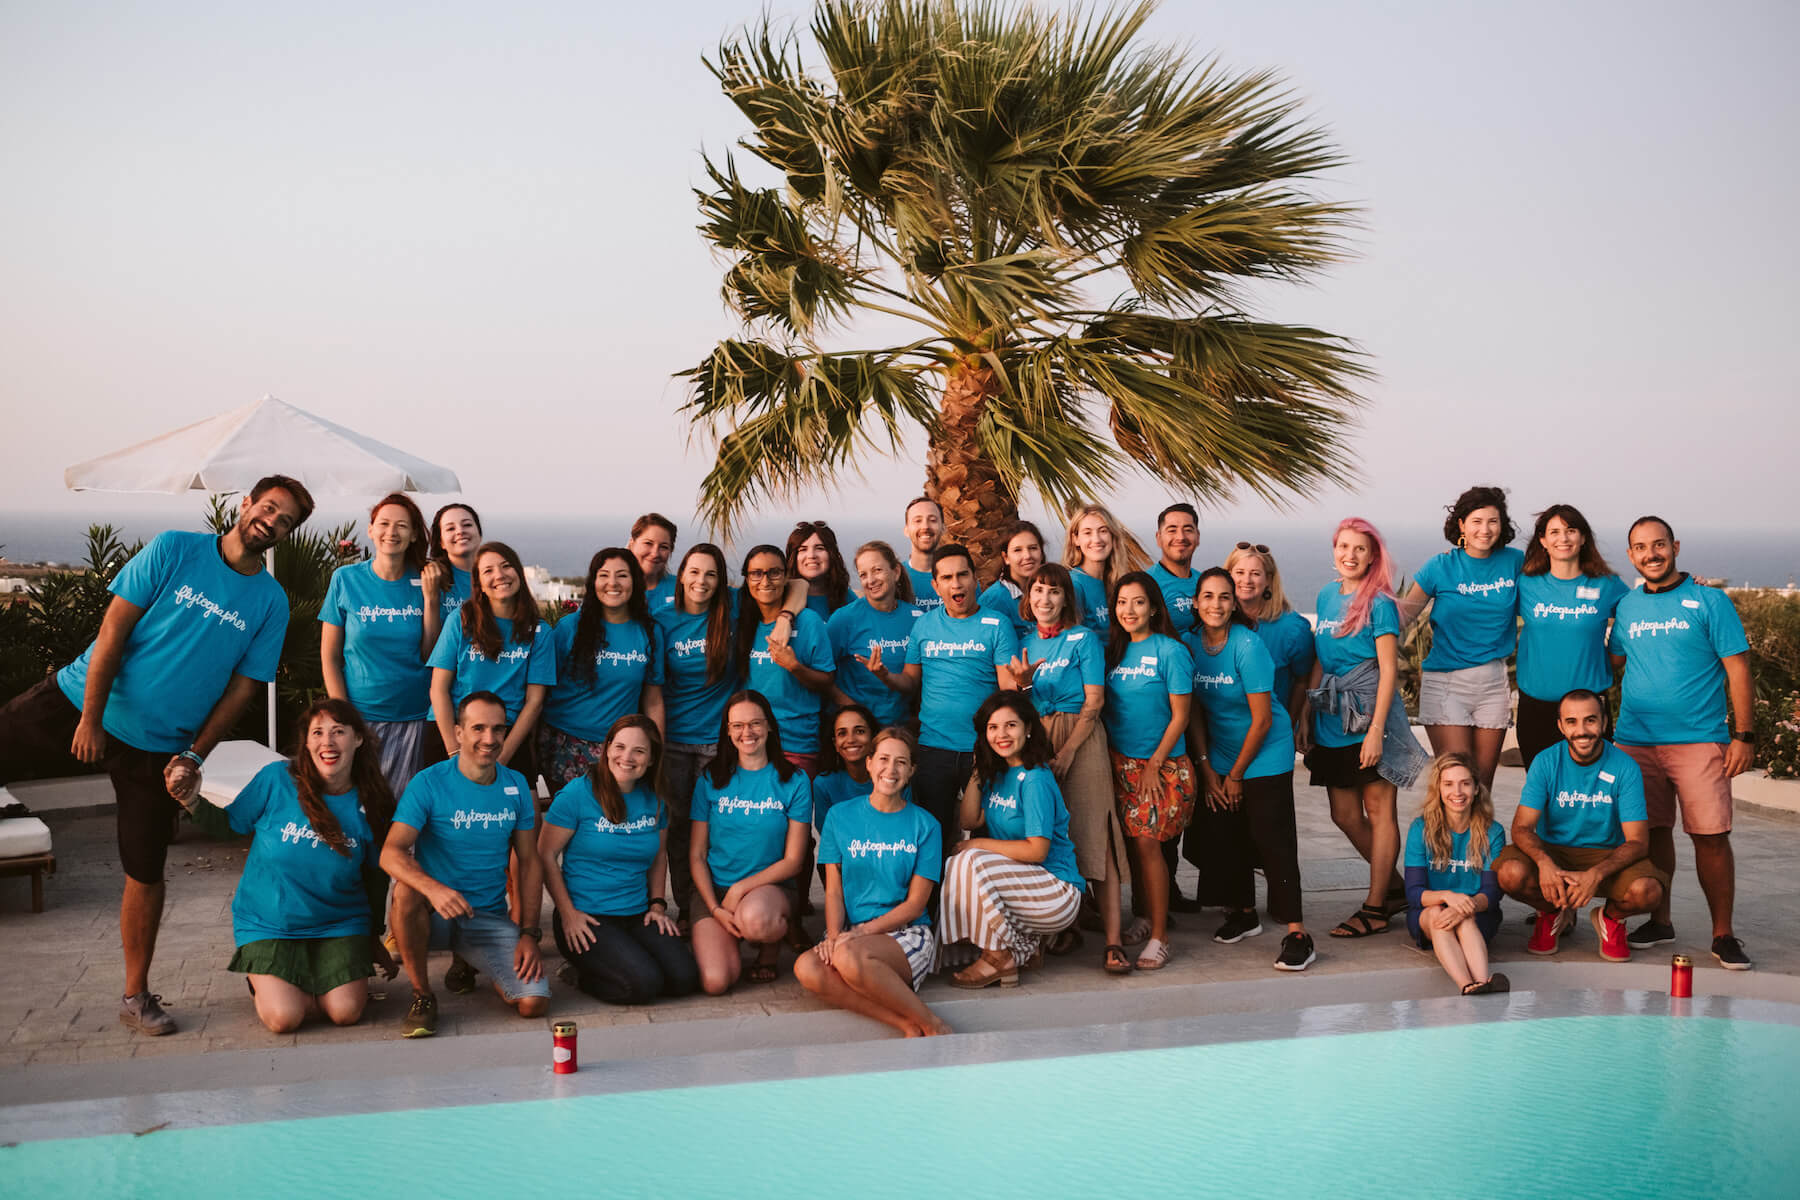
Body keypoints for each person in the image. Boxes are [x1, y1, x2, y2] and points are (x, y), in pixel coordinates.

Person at [0, 474, 312, 1036]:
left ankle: (135, 995)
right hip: (77, 701)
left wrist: (193, 755)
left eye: (285, 519)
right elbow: (113, 630)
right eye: (269, 508)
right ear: (246, 504)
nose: (272, 521)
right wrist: (91, 719)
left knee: (145, 871)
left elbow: (243, 688)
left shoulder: (269, 601)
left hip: (159, 748)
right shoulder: (175, 548)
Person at [176, 697, 395, 1032]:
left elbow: (375, 877)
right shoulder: (277, 779)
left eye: (338, 731)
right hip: (270, 922)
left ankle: (307, 983)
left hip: (338, 922)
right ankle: (270, 982)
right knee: (284, 1019)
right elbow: (229, 825)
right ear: (306, 743)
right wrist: (188, 796)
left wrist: (372, 938)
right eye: (317, 732)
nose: (328, 742)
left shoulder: (373, 801)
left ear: (358, 739)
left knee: (345, 1012)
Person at [1606, 517, 1755, 968]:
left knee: (1710, 838)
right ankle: (1661, 920)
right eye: (1640, 547)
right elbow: (1612, 665)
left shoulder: (1710, 601)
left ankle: (1723, 933)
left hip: (1699, 741)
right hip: (1635, 740)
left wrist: (1744, 735)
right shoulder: (1628, 607)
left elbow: (1738, 669)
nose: (1650, 554)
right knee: (1652, 835)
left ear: (1674, 546)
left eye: (1658, 545)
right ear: (1631, 556)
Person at [381, 691, 551, 1038]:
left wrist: (529, 933)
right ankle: (422, 995)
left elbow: (530, 861)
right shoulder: (428, 782)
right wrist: (435, 889)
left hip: (486, 916)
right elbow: (391, 852)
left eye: (497, 729)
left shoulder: (516, 784)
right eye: (478, 729)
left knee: (533, 1003)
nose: (489, 739)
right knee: (406, 893)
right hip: (434, 913)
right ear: (458, 733)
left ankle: (468, 960)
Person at [1295, 518, 1427, 939]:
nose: (1350, 555)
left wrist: (1374, 733)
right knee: (1344, 814)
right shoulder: (1325, 595)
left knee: (1379, 811)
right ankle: (1396, 888)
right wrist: (1306, 712)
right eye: (1343, 547)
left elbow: (1390, 671)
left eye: (1360, 549)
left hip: (1371, 712)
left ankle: (1375, 905)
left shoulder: (1381, 602)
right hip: (1333, 713)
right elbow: (1319, 658)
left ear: (1373, 557)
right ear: (1335, 550)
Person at [1185, 568, 1315, 971]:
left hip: (1265, 752)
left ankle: (1297, 932)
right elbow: (1194, 714)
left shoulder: (1247, 645)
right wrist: (1208, 769)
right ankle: (1243, 911)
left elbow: (1262, 720)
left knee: (1273, 841)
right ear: (1195, 602)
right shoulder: (1189, 644)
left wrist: (1237, 775)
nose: (1216, 605)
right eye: (1208, 596)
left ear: (1233, 603)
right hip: (1222, 752)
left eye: (1224, 597)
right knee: (1226, 835)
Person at [1004, 563, 1129, 974]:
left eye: (1054, 592)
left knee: (1097, 832)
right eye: (1038, 590)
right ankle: (1059, 927)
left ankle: (1113, 940)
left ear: (1066, 599)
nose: (1045, 599)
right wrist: (1023, 686)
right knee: (1045, 834)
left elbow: (1094, 700)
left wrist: (1071, 750)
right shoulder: (1021, 643)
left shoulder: (1083, 639)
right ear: (1028, 597)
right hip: (1036, 739)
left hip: (1082, 736)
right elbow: (1015, 706)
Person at [1493, 689, 1669, 963]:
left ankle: (1610, 919)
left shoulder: (1625, 767)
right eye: (1572, 722)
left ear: (1604, 722)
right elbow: (1522, 828)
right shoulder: (1546, 762)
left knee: (1648, 891)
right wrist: (1544, 863)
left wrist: (1596, 874)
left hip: (1605, 853)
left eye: (1590, 720)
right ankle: (1552, 912)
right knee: (1509, 873)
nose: (1582, 730)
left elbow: (1637, 841)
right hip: (1555, 851)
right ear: (1561, 726)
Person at [798, 726, 950, 1036]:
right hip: (853, 935)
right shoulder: (840, 817)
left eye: (901, 762)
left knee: (848, 957)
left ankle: (934, 1025)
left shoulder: (926, 825)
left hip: (906, 934)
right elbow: (834, 891)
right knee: (806, 967)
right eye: (883, 759)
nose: (890, 770)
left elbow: (915, 904)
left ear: (911, 770)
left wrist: (860, 933)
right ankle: (904, 1023)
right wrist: (834, 935)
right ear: (869, 763)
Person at [537, 715, 699, 1005]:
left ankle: (623, 957)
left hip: (636, 914)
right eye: (620, 746)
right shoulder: (578, 793)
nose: (627, 757)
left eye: (639, 750)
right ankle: (581, 974)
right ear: (606, 748)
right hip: (586, 916)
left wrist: (658, 905)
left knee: (684, 978)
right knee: (642, 986)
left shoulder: (655, 799)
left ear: (651, 759)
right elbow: (545, 855)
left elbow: (659, 856)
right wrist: (568, 915)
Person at [940, 692, 1085, 987]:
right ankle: (1022, 950)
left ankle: (998, 957)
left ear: (1028, 728)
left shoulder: (1035, 779)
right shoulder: (1000, 772)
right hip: (1024, 885)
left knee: (968, 859)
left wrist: (977, 844)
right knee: (960, 861)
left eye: (1011, 726)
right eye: (992, 728)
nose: (1001, 734)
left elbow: (1037, 850)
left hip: (1056, 890)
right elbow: (970, 820)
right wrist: (980, 767)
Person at [895, 544, 1019, 864]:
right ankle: (933, 908)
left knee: (986, 834)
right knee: (933, 833)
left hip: (985, 749)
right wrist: (883, 674)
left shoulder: (997, 624)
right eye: (947, 577)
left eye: (963, 575)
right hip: (933, 747)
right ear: (935, 585)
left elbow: (1008, 690)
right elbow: (910, 682)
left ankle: (980, 907)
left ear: (976, 579)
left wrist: (1024, 682)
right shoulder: (923, 626)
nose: (956, 584)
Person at [1397, 486, 1525, 790]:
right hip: (1447, 683)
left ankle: (1480, 840)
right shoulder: (1440, 566)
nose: (1485, 529)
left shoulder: (1515, 562)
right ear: (1462, 525)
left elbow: (1555, 579)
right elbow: (1401, 616)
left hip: (1494, 683)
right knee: (1458, 781)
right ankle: (1442, 839)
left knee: (1482, 786)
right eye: (1477, 521)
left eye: (1493, 521)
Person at [689, 691, 812, 992]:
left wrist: (741, 888)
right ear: (728, 731)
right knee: (716, 982)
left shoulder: (794, 780)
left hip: (770, 889)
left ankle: (769, 946)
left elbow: (794, 861)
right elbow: (697, 854)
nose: (748, 732)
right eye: (738, 725)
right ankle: (728, 936)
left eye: (756, 723)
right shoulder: (711, 778)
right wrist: (715, 908)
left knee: (757, 920)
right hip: (716, 890)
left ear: (769, 726)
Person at [1102, 570, 1195, 971]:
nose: (1129, 610)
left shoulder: (1170, 651)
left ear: (1154, 607)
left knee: (1146, 845)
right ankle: (1143, 917)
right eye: (1122, 602)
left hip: (1164, 765)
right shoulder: (1114, 651)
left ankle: (1160, 936)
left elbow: (1181, 716)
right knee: (1134, 846)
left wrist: (1155, 764)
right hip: (1121, 763)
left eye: (1138, 602)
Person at [320, 493, 435, 797]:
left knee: (407, 816)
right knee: (361, 809)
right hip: (361, 718)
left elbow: (429, 654)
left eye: (401, 526)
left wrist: (432, 599)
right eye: (383, 524)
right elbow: (329, 656)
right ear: (370, 530)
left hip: (417, 719)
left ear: (413, 535)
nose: (391, 532)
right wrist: (343, 717)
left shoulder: (425, 581)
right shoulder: (345, 579)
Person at [654, 543, 739, 928]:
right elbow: (653, 687)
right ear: (681, 575)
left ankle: (721, 902)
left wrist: (786, 616)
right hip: (673, 743)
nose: (701, 581)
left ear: (721, 580)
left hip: (720, 742)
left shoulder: (733, 609)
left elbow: (795, 586)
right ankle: (689, 907)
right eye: (694, 572)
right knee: (678, 828)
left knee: (722, 828)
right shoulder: (662, 620)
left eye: (711, 574)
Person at [426, 541, 557, 779]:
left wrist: (500, 760)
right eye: (488, 571)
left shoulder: (539, 632)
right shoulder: (461, 620)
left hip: (506, 737)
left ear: (519, 573)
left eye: (506, 566)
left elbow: (534, 702)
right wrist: (454, 754)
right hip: (452, 732)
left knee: (526, 814)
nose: (499, 575)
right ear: (480, 585)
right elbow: (438, 689)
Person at [538, 548, 666, 790]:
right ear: (593, 581)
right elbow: (541, 689)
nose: (612, 583)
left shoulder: (650, 632)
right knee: (573, 822)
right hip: (565, 744)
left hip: (621, 748)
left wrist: (656, 751)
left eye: (622, 576)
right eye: (604, 575)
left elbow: (653, 700)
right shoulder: (569, 628)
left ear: (635, 582)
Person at [1515, 504, 1628, 770]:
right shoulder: (1526, 583)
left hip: (1588, 711)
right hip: (1536, 708)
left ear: (1583, 537)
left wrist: (1689, 584)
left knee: (1591, 794)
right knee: (1542, 794)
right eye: (1554, 532)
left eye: (1571, 530)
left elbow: (1644, 608)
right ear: (1542, 540)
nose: (1563, 539)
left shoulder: (1606, 584)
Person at [1404, 752, 1509, 995]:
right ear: (1438, 789)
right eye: (1448, 784)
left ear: (1476, 788)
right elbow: (1413, 893)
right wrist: (1448, 897)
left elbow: (1492, 892)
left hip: (1478, 914)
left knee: (1465, 918)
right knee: (1435, 915)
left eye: (1465, 783)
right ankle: (1470, 984)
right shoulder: (1420, 829)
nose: (1457, 792)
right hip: (1429, 913)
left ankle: (1479, 984)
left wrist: (1467, 905)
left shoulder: (1493, 832)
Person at [734, 545, 835, 773]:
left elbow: (827, 680)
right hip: (751, 743)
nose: (765, 580)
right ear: (747, 578)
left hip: (796, 743)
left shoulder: (809, 621)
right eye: (756, 573)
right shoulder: (741, 620)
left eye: (774, 572)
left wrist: (794, 667)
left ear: (786, 576)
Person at [827, 541, 922, 729]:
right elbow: (824, 677)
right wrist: (856, 713)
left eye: (877, 570)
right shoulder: (844, 619)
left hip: (900, 730)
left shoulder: (917, 619)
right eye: (863, 575)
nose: (870, 580)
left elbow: (915, 682)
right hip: (857, 730)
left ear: (895, 572)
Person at [418, 502, 484, 769]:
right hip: (446, 708)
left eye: (467, 524)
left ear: (479, 532)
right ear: (441, 541)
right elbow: (429, 652)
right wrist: (432, 600)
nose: (460, 531)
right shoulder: (433, 577)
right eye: (450, 528)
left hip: (490, 706)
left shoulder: (493, 577)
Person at [1223, 542, 1314, 719]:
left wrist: (1291, 723)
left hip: (1272, 729)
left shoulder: (1292, 629)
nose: (1246, 580)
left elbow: (1303, 681)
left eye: (1255, 574)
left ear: (1269, 580)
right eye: (1239, 573)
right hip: (1221, 733)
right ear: (1227, 576)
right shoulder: (1216, 623)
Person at [1063, 503, 1149, 635]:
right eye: (1087, 533)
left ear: (1113, 537)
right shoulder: (1073, 584)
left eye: (1103, 531)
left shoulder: (1120, 581)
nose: (1096, 539)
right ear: (1076, 539)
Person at [812, 703, 880, 843]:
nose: (850, 740)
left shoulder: (892, 778)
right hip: (842, 857)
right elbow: (828, 837)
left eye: (859, 731)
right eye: (842, 733)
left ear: (873, 737)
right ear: (835, 744)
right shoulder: (823, 784)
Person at [978, 520, 1046, 641]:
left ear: (1041, 553)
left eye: (1033, 548)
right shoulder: (993, 600)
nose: (1027, 556)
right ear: (1006, 558)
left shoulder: (1052, 591)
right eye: (1017, 550)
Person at [1148, 502, 1201, 634]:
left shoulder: (1204, 582)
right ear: (1158, 538)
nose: (1181, 537)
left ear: (1198, 537)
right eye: (1172, 530)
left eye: (1188, 530)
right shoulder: (1147, 584)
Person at [787, 520, 853, 620]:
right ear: (793, 557)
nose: (811, 555)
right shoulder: (782, 598)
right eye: (803, 549)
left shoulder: (847, 598)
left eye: (819, 548)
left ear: (831, 554)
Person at [900, 496, 946, 614]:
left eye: (932, 520)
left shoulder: (961, 577)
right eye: (917, 520)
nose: (925, 526)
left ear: (943, 528)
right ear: (906, 530)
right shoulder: (895, 578)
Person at [628, 513, 680, 612]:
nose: (655, 553)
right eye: (648, 543)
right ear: (632, 544)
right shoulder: (616, 588)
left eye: (664, 547)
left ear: (671, 550)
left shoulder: (681, 588)